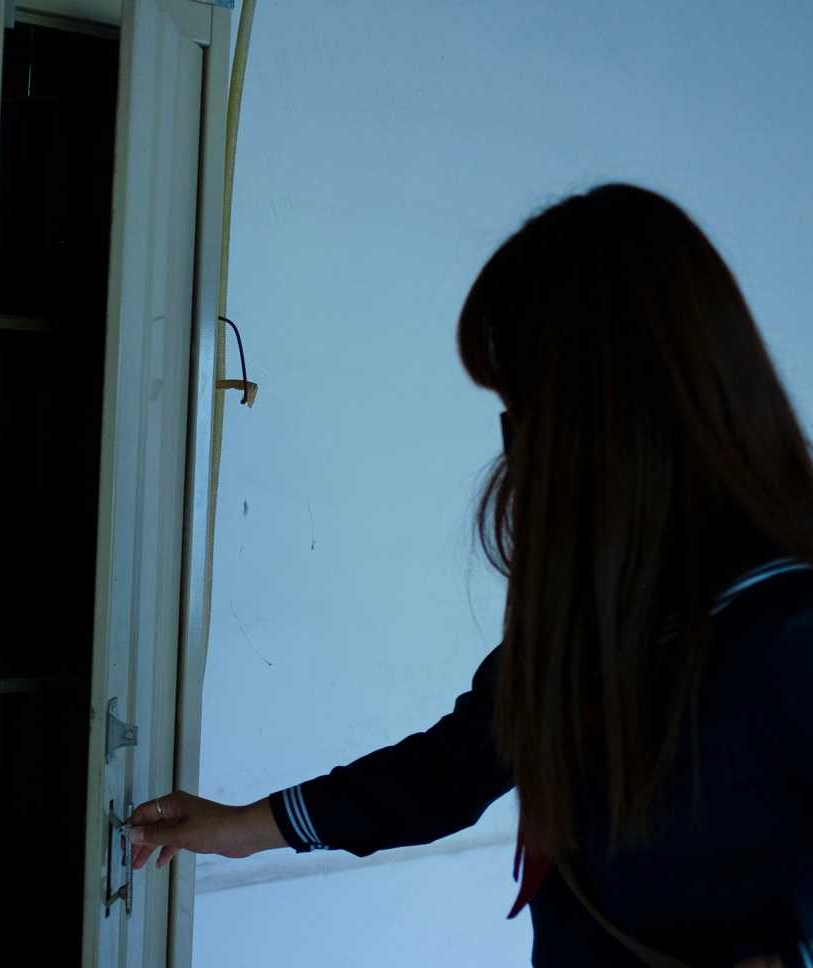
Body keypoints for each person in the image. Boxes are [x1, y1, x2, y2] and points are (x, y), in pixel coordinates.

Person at [128, 184, 813, 968]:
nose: (514, 453)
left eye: (526, 410)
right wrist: (240, 828)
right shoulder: (613, 616)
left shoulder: (787, 634)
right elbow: (455, 765)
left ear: (616, 414)